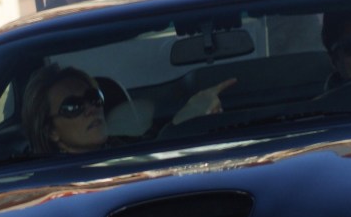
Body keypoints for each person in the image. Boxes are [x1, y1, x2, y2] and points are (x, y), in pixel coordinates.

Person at [22, 65, 235, 154]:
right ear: (51, 131)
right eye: (73, 107)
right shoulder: (51, 184)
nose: (90, 109)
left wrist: (192, 112)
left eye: (93, 98)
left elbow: (157, 147)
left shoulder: (123, 145)